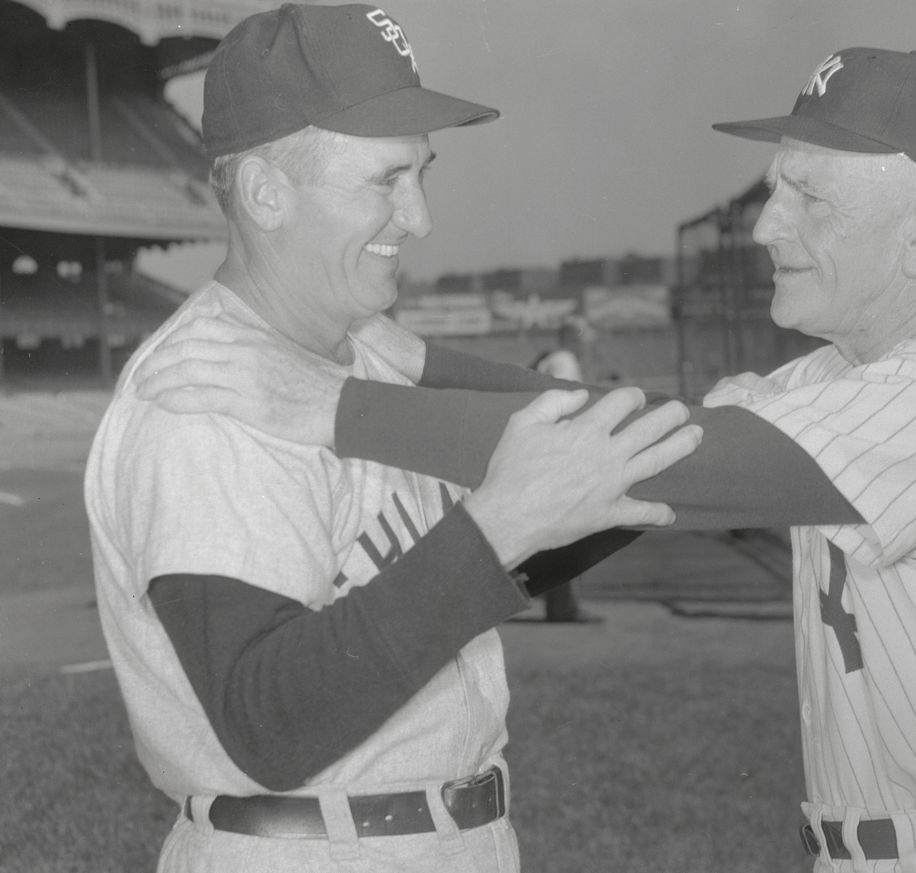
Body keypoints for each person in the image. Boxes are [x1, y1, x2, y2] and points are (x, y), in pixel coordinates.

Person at [138, 47, 916, 871]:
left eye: (809, 196)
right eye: (774, 190)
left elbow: (662, 470)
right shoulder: (836, 377)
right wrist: (417, 363)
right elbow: (639, 426)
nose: (766, 226)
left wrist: (334, 405)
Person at [83, 6, 703, 873]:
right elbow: (267, 720)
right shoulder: (205, 391)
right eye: (384, 179)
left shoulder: (372, 351)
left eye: (423, 175)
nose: (418, 218)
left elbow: (632, 454)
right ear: (266, 191)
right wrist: (497, 529)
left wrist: (422, 364)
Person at [533, 317, 603, 622]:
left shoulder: (552, 358)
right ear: (575, 338)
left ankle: (560, 603)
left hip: (546, 452)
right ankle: (563, 605)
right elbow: (566, 404)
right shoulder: (564, 361)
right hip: (559, 454)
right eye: (586, 338)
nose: (589, 344)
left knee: (558, 530)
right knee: (569, 530)